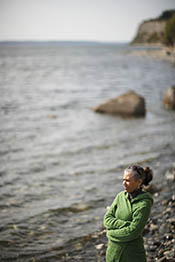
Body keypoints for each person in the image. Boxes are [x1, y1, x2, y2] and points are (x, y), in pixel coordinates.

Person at [104, 164, 153, 262]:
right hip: (112, 253)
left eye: (127, 180)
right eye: (123, 180)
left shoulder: (144, 203)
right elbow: (107, 219)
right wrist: (125, 225)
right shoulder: (120, 196)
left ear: (139, 182)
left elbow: (133, 232)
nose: (124, 183)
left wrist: (110, 234)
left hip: (131, 255)